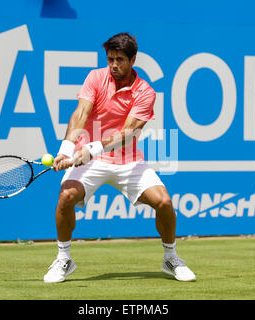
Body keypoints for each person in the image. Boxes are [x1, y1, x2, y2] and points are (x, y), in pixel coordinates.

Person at [43, 32, 196, 283]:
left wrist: (91, 149)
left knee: (165, 203)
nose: (114, 65)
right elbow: (81, 113)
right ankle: (63, 259)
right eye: (110, 59)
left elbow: (128, 133)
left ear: (133, 60)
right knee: (66, 196)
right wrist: (67, 149)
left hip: (129, 161)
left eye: (120, 60)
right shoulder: (95, 78)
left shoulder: (145, 91)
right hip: (90, 160)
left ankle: (171, 258)